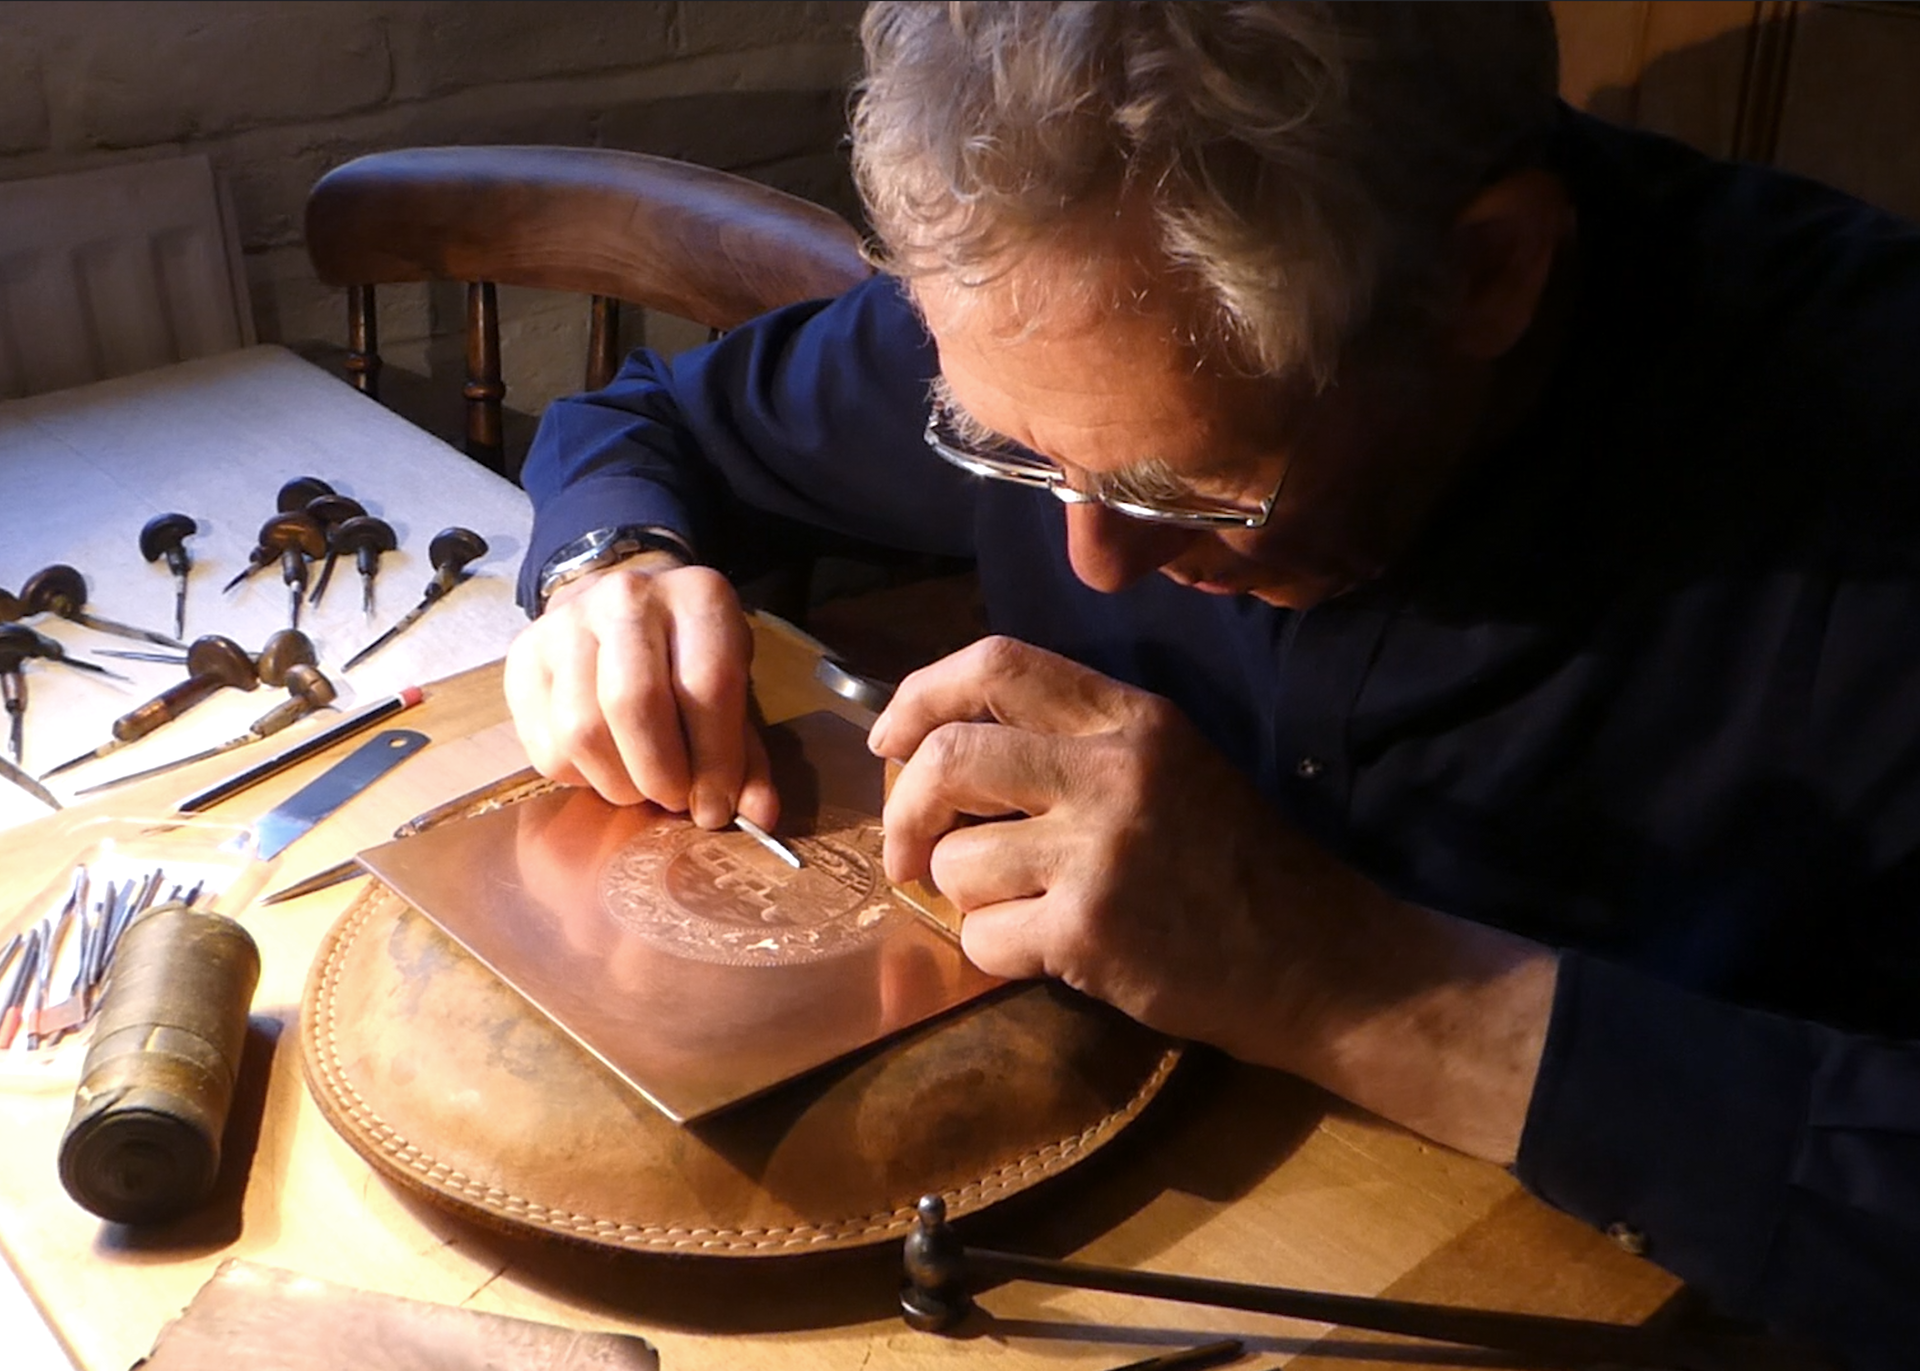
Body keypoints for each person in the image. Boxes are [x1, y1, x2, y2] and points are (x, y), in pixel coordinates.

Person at [504, 4, 1920, 1364]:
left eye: (1189, 485)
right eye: (1013, 453)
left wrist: (1345, 978)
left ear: (1485, 274)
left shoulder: (1864, 452)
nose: (1092, 557)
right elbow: (653, 424)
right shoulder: (1070, 294)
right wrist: (610, 569)